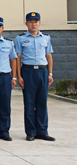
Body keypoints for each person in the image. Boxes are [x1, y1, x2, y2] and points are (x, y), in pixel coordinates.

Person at [15, 12, 55, 142]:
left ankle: (42, 131)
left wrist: (50, 74)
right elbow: (18, 58)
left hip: (43, 71)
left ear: (39, 23)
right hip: (28, 71)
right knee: (29, 103)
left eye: (36, 22)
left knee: (42, 102)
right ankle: (31, 132)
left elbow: (49, 56)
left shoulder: (46, 38)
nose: (33, 24)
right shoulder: (20, 38)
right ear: (26, 23)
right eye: (31, 22)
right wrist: (19, 76)